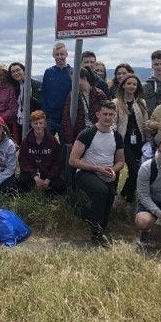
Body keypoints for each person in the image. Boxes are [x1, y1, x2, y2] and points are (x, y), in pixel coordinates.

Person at [68, 101, 124, 245]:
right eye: (105, 114)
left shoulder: (117, 137)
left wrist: (113, 170)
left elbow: (120, 162)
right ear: (98, 114)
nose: (108, 117)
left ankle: (85, 215)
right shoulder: (87, 133)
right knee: (101, 191)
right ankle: (96, 234)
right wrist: (97, 168)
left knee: (109, 196)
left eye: (111, 115)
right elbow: (73, 160)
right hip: (85, 172)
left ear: (115, 116)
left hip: (106, 174)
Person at [113, 74, 150, 205]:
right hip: (124, 142)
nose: (132, 86)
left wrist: (149, 139)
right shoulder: (116, 103)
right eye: (129, 83)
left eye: (134, 84)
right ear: (123, 85)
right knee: (134, 169)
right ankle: (123, 196)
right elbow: (113, 124)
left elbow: (145, 122)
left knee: (138, 170)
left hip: (139, 141)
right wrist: (116, 141)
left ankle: (129, 199)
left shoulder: (141, 102)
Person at [18, 110, 65, 194]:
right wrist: (35, 177)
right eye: (36, 123)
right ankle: (34, 189)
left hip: (47, 174)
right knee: (22, 182)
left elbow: (57, 162)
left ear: (45, 124)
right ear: (31, 124)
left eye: (41, 123)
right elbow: (23, 161)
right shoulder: (26, 140)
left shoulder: (52, 141)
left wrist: (48, 179)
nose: (38, 126)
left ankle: (46, 192)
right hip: (32, 174)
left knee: (60, 186)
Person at [61, 67, 106, 145]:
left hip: (98, 133)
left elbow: (106, 113)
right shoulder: (72, 96)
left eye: (75, 81)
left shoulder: (99, 94)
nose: (73, 84)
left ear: (84, 79)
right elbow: (66, 118)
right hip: (81, 135)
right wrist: (69, 140)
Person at [41, 41, 72, 140]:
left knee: (65, 144)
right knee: (46, 143)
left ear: (66, 54)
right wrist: (44, 113)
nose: (59, 57)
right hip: (50, 117)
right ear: (53, 56)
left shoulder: (72, 72)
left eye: (62, 54)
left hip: (66, 117)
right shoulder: (49, 72)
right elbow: (44, 93)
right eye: (57, 54)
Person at [8, 61, 41, 144]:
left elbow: (40, 105)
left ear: (24, 71)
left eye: (18, 70)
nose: (16, 73)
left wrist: (30, 97)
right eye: (13, 72)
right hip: (19, 122)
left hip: (32, 123)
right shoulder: (16, 87)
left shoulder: (35, 85)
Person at [142, 50, 161, 114]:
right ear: (152, 66)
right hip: (150, 119)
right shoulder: (145, 86)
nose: (159, 67)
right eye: (156, 64)